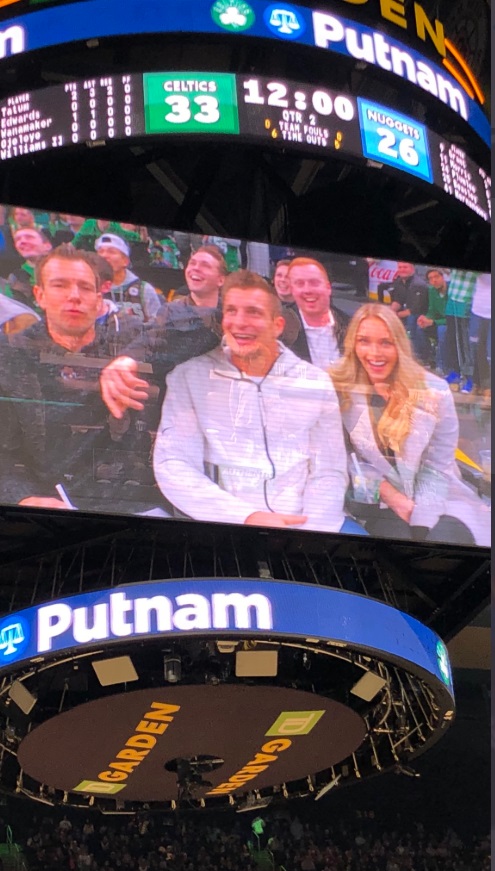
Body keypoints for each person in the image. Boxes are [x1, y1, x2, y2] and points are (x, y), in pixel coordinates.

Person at [153, 270, 363, 535]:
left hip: (308, 523)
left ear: (277, 325)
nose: (239, 322)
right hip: (225, 524)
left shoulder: (315, 382)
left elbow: (329, 470)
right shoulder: (190, 377)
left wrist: (310, 529)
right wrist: (245, 517)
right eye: (231, 311)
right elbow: (174, 464)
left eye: (253, 312)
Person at [0, 244, 153, 512]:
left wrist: (127, 360)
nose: (74, 296)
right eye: (60, 285)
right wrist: (23, 498)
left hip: (131, 503)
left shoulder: (128, 340)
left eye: (84, 287)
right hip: (46, 503)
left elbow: (198, 326)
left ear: (99, 297)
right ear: (40, 295)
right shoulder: (10, 352)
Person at [330, 304, 490, 545]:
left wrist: (421, 521)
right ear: (353, 343)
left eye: (386, 342)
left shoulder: (433, 390)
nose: (375, 353)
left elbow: (438, 465)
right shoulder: (337, 385)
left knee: (445, 539)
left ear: (400, 345)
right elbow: (338, 460)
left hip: (433, 495)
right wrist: (392, 496)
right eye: (364, 341)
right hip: (369, 499)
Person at [285, 257, 349, 369]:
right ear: (292, 290)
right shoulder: (280, 329)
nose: (307, 290)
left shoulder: (350, 325)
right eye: (299, 284)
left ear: (328, 288)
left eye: (314, 283)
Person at [94, 233, 161, 322]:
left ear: (125, 261)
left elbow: (157, 327)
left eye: (111, 251)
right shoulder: (92, 288)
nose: (104, 256)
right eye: (100, 251)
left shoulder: (144, 289)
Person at [2, 227, 52, 312]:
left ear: (47, 246)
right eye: (18, 239)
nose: (22, 241)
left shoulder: (64, 269)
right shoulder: (15, 278)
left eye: (29, 237)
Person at [389, 262, 430, 365]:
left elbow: (414, 310)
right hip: (407, 312)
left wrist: (395, 315)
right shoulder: (399, 282)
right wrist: (390, 312)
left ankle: (417, 357)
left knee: (412, 319)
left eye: (405, 267)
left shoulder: (418, 284)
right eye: (400, 267)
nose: (402, 269)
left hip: (423, 314)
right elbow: (397, 301)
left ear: (412, 268)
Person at [444, 269, 477, 394]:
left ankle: (470, 377)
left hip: (466, 300)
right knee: (451, 339)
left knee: (465, 343)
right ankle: (455, 372)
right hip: (452, 298)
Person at [417, 268, 449, 375]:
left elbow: (451, 318)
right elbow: (432, 311)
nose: (434, 280)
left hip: (452, 324)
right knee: (420, 327)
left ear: (443, 277)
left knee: (442, 330)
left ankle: (441, 366)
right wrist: (425, 319)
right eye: (431, 279)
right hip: (438, 322)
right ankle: (427, 358)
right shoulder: (431, 290)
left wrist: (434, 322)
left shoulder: (451, 290)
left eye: (436, 277)